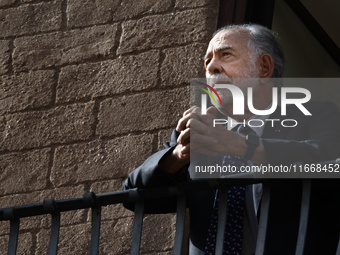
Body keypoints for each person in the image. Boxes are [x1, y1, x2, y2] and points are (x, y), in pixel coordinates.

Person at [122, 24, 340, 254]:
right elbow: (133, 196)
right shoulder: (199, 131)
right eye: (207, 62)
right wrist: (179, 155)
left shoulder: (316, 115)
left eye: (225, 55)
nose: (212, 67)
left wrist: (243, 146)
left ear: (264, 68)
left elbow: (328, 163)